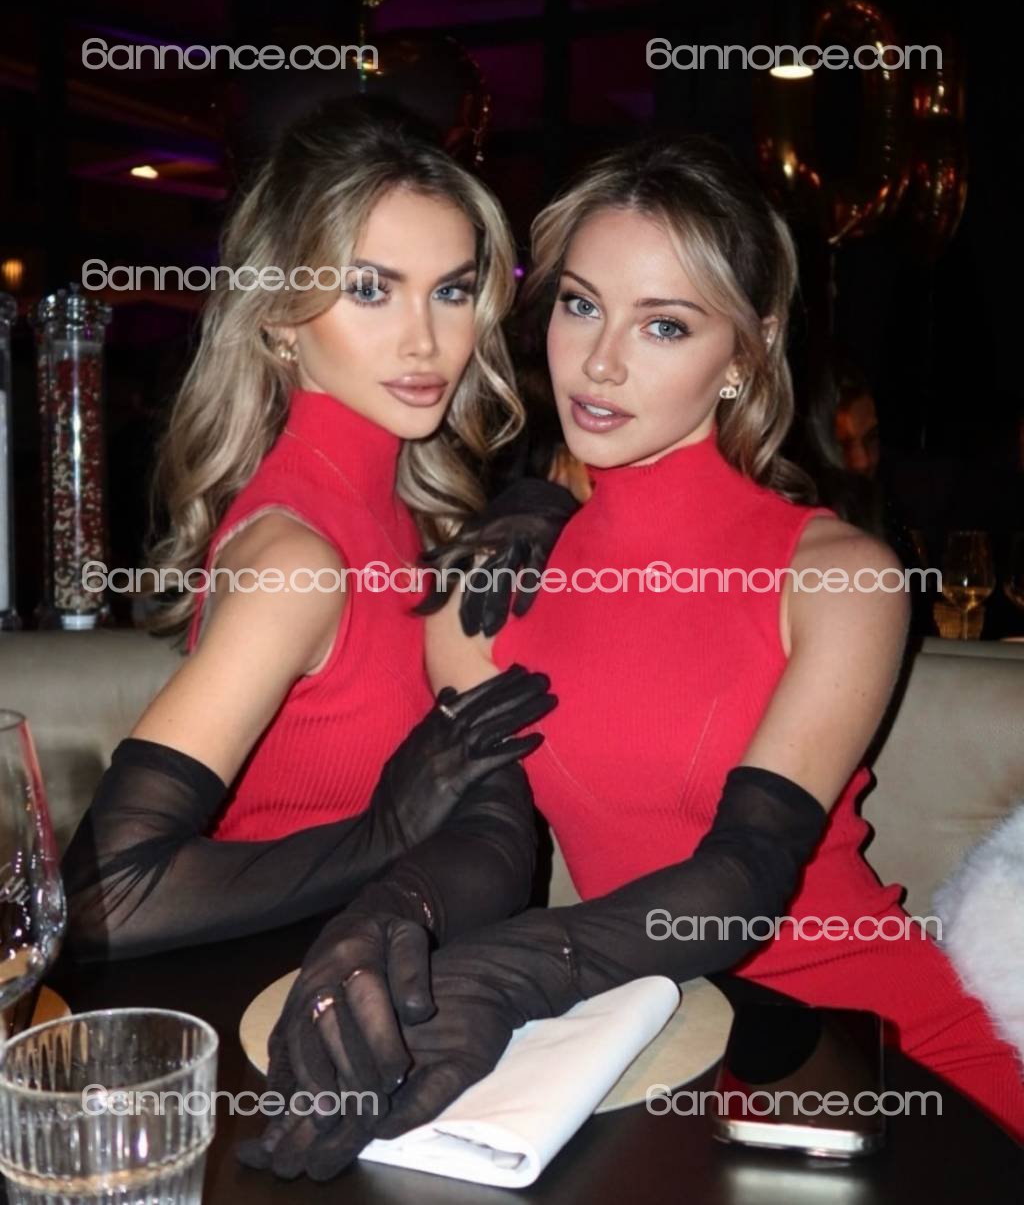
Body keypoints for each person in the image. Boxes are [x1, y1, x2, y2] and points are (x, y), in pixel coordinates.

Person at [246, 133, 1024, 1179]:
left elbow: (746, 871)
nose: (602, 362)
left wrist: (519, 968)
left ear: (748, 348)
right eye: (580, 305)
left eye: (664, 324)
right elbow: (492, 835)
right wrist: (394, 912)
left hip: (886, 1064)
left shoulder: (840, 576)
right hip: (661, 1046)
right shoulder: (485, 590)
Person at [59, 100, 557, 966]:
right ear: (281, 317)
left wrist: (543, 509)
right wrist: (382, 832)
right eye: (369, 288)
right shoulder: (299, 559)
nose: (425, 340)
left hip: (369, 977)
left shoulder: (397, 507)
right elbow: (102, 898)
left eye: (450, 290)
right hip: (264, 998)